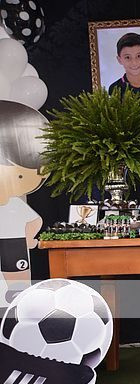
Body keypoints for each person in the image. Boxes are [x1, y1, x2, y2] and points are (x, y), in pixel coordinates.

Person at [0, 101, 47, 308]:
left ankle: (16, 303)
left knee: (17, 281)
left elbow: (35, 221)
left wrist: (28, 240)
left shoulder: (16, 206)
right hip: (15, 243)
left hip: (16, 245)